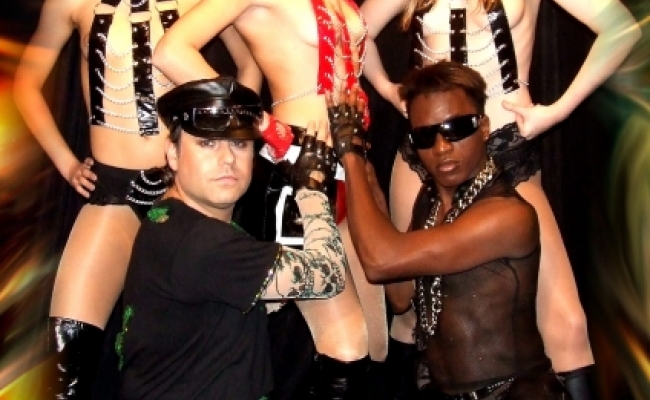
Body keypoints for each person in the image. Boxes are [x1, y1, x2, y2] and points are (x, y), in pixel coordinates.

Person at [359, 1, 641, 398]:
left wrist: (556, 111)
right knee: (409, 312)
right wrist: (390, 91)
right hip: (427, 156)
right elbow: (354, 33)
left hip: (505, 148)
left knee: (567, 326)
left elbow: (620, 28)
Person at [12, 0, 262, 398]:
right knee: (65, 357)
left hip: (187, 198)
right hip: (113, 193)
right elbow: (26, 82)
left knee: (190, 358)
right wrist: (67, 163)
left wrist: (227, 143)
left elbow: (250, 65)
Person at [152, 1, 389, 398]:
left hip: (350, 168)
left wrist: (388, 90)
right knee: (345, 349)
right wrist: (259, 122)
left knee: (375, 343)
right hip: (298, 171)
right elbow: (170, 51)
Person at [329, 61, 571, 399]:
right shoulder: (430, 203)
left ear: (484, 127)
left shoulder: (507, 215)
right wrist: (371, 188)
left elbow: (380, 262)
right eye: (425, 136)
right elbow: (399, 297)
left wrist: (351, 155)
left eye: (456, 128)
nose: (441, 147)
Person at [118, 76, 347, 400]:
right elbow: (329, 274)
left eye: (239, 144)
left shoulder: (172, 220)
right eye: (207, 143)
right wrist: (312, 188)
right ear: (172, 153)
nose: (227, 158)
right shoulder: (200, 241)